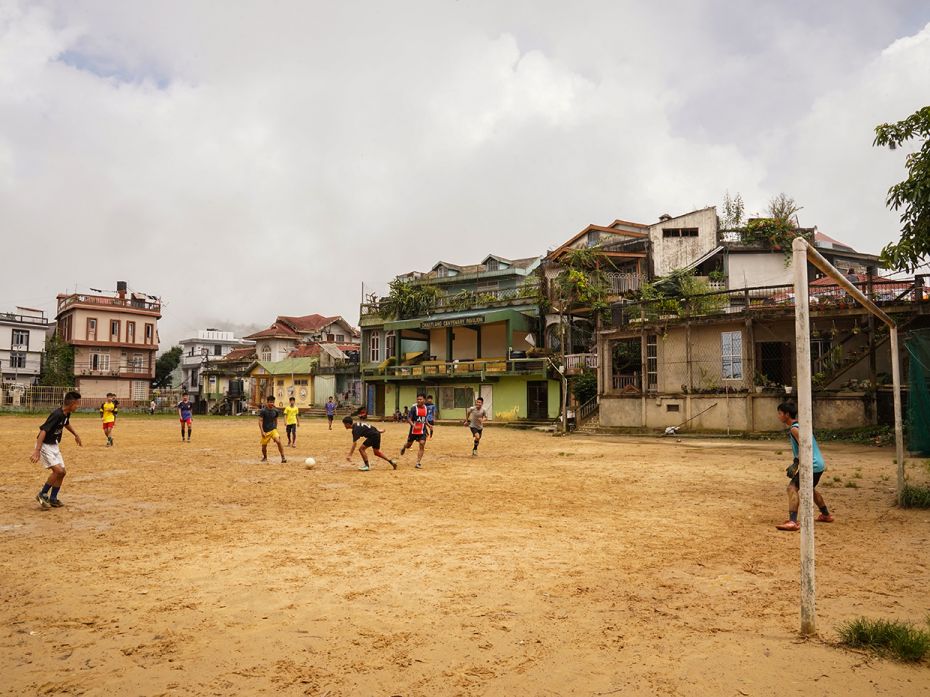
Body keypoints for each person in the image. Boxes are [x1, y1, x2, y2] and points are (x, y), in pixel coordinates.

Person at [775, 401, 834, 531]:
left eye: (780, 413)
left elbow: (805, 446)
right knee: (809, 489)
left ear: (787, 414)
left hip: (812, 464)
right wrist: (796, 462)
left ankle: (792, 521)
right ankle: (826, 515)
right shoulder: (799, 426)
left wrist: (797, 463)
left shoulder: (794, 429)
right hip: (818, 463)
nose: (778, 416)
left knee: (791, 488)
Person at [31, 391, 83, 509]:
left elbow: (66, 423)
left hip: (54, 445)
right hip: (44, 445)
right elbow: (43, 430)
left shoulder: (66, 414)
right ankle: (42, 494)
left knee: (63, 472)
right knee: (58, 471)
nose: (78, 406)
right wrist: (37, 450)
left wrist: (76, 434)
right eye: (77, 404)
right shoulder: (56, 414)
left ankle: (53, 498)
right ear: (72, 403)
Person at [400, 393, 429, 469]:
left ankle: (418, 463)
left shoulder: (426, 408)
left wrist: (429, 426)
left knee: (422, 444)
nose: (419, 400)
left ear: (424, 400)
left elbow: (424, 419)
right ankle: (404, 447)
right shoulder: (413, 408)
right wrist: (413, 425)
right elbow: (408, 419)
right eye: (418, 399)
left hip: (422, 430)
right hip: (413, 431)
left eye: (420, 399)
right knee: (408, 445)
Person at [259, 395, 287, 463]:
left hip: (273, 429)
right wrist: (262, 432)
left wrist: (276, 429)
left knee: (278, 441)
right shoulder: (263, 411)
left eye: (273, 402)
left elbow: (276, 419)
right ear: (267, 402)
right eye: (270, 402)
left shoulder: (275, 411)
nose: (272, 403)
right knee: (264, 447)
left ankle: (283, 457)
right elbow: (260, 421)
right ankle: (265, 457)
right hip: (265, 431)